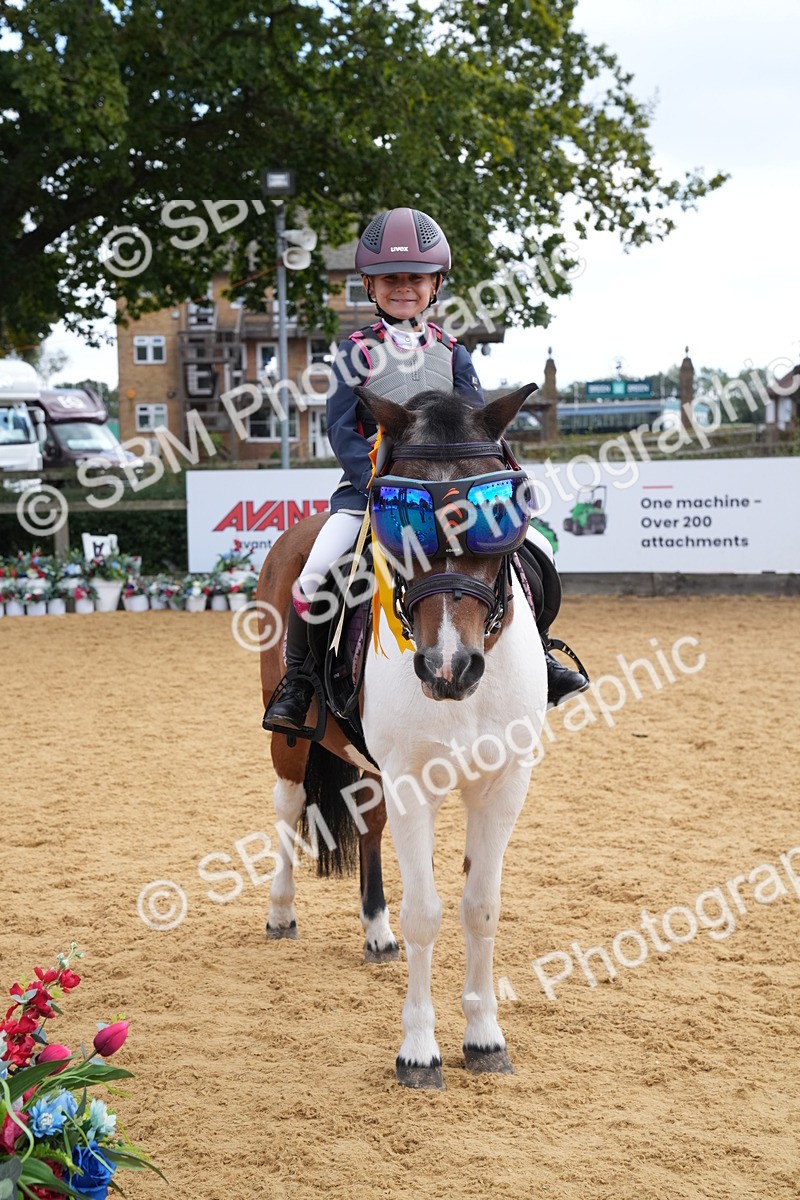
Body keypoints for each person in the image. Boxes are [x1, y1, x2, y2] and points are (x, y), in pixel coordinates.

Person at [265, 206, 588, 729]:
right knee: (315, 574)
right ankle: (299, 683)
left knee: (539, 550)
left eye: (414, 278)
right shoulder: (353, 352)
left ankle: (543, 657)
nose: (402, 288)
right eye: (391, 279)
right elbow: (342, 428)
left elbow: (479, 425)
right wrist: (374, 479)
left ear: (434, 284)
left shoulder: (453, 352)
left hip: (459, 496)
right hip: (378, 495)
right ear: (370, 285)